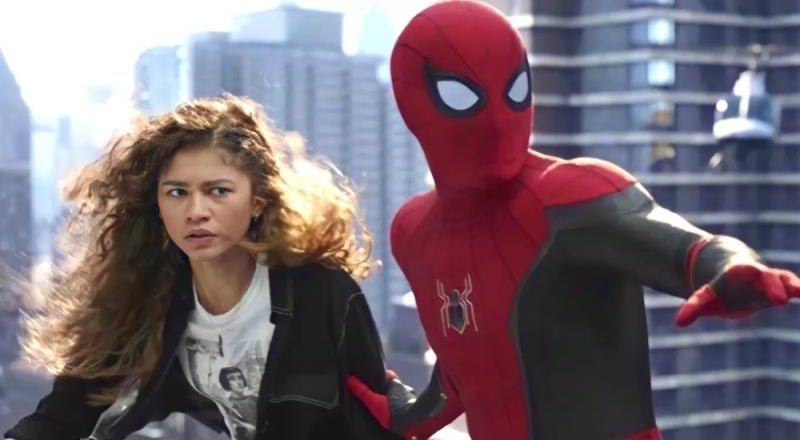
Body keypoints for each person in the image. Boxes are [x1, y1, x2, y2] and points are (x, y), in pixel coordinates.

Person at [346, 2, 800, 440]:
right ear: (411, 101)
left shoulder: (573, 197)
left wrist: (732, 266)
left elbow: (690, 249)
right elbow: (468, 364)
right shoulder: (414, 232)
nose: (500, 121)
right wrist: (412, 414)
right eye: (462, 96)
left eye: (515, 90)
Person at [5, 95, 408, 440]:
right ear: (157, 207)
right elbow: (62, 416)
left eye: (218, 191)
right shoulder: (150, 298)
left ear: (257, 202)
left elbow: (378, 415)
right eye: (177, 193)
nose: (196, 211)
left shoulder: (321, 291)